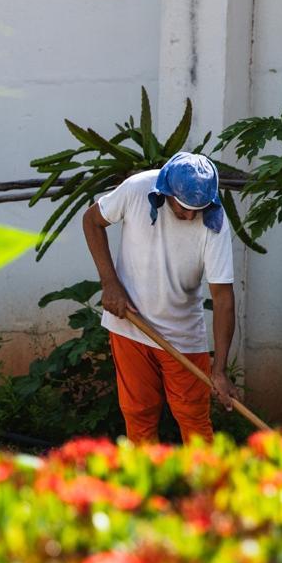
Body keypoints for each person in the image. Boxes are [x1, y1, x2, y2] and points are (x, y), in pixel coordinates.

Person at [81, 151, 241, 444]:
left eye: (198, 209)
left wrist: (219, 370)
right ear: (165, 193)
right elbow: (91, 221)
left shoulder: (215, 222)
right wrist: (110, 283)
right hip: (131, 325)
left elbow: (223, 299)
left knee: (193, 417)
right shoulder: (137, 189)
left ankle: (205, 475)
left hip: (183, 336)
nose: (190, 216)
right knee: (138, 413)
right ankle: (146, 473)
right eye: (184, 207)